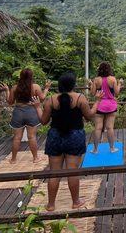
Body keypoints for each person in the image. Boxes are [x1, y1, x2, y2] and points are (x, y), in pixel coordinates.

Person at [31, 72, 102, 211]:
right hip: (75, 137)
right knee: (73, 172)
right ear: (73, 85)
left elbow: (44, 121)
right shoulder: (80, 98)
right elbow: (89, 116)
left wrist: (37, 107)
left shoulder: (51, 99)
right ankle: (75, 202)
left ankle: (51, 204)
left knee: (54, 173)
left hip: (55, 137)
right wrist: (98, 101)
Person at [0, 69, 51, 164]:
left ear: (20, 76)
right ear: (31, 76)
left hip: (18, 112)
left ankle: (13, 159)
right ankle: (35, 158)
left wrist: (7, 90)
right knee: (32, 137)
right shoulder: (35, 87)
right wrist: (47, 89)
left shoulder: (15, 88)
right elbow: (42, 98)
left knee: (17, 137)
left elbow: (10, 102)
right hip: (31, 111)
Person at [89, 61, 123, 153]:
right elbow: (116, 93)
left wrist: (91, 84)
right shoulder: (112, 79)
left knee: (98, 128)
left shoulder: (96, 80)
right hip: (111, 105)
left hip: (99, 105)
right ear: (109, 69)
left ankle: (95, 149)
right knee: (110, 128)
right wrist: (119, 84)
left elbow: (92, 93)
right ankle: (112, 148)